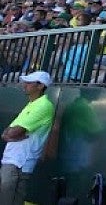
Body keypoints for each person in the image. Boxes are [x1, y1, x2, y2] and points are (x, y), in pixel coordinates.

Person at [0, 72, 54, 205]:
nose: (25, 85)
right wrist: (10, 134)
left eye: (29, 82)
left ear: (40, 86)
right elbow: (6, 133)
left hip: (20, 163)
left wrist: (10, 134)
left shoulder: (44, 105)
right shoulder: (31, 105)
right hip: (12, 160)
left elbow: (11, 133)